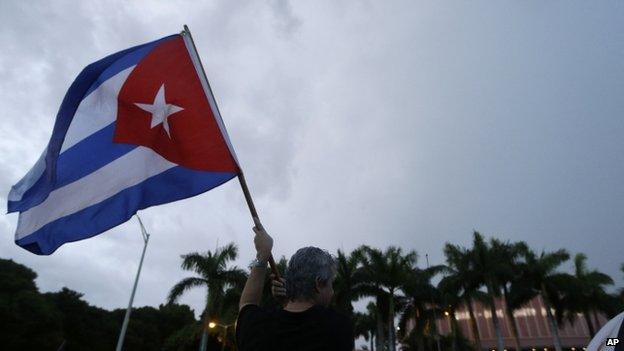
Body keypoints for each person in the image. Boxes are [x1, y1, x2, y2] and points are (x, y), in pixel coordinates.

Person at [236, 220, 354, 351]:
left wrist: (263, 255)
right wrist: (286, 302)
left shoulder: (256, 327)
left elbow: (247, 303)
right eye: (331, 284)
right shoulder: (339, 328)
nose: (332, 292)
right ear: (319, 283)